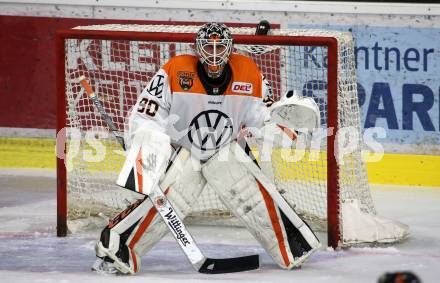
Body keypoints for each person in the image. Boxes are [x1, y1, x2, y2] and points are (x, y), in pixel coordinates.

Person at [92, 22, 320, 275]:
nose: (214, 53)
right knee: (169, 201)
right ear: (196, 49)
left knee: (253, 197)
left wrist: (285, 125)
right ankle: (117, 247)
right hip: (183, 149)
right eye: (208, 47)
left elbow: (263, 116)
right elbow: (146, 112)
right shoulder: (176, 69)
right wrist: (147, 142)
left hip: (225, 149)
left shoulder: (248, 71)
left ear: (230, 49)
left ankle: (292, 247)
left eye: (220, 46)